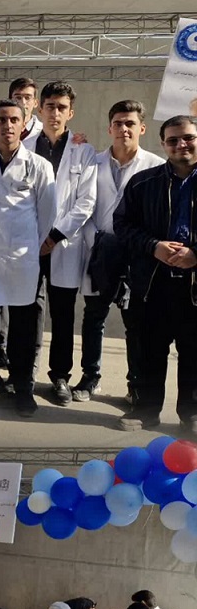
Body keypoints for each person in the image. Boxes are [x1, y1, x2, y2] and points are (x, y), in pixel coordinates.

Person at [0, 99, 56, 417]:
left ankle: (23, 387)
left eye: (14, 119)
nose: (8, 125)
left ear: (24, 124)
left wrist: (26, 242)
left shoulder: (39, 166)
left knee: (23, 327)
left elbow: (47, 214)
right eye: (1, 120)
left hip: (20, 258)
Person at [73, 100, 164, 403]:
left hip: (136, 254)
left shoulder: (154, 166)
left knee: (134, 322)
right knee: (94, 316)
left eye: (130, 123)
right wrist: (95, 241)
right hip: (99, 250)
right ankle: (90, 377)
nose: (124, 129)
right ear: (109, 127)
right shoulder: (93, 162)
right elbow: (83, 206)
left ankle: (135, 384)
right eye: (118, 123)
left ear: (142, 128)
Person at [114, 114, 197, 432]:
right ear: (163, 144)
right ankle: (146, 409)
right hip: (153, 282)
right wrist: (153, 246)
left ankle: (192, 413)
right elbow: (122, 225)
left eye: (188, 137)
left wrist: (195, 255)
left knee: (194, 351)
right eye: (173, 140)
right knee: (149, 349)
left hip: (194, 284)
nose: (181, 144)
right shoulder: (142, 183)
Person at [33, 81, 98, 406]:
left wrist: (55, 236)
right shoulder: (25, 146)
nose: (55, 113)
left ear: (70, 113)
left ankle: (60, 376)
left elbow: (86, 202)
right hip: (29, 244)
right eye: (50, 106)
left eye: (62, 107)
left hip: (63, 245)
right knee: (25, 311)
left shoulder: (83, 151)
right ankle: (22, 372)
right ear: (39, 109)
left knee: (62, 315)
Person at [0, 76, 44, 150]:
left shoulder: (43, 132)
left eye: (27, 98)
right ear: (10, 100)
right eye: (18, 97)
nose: (23, 102)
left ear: (36, 103)